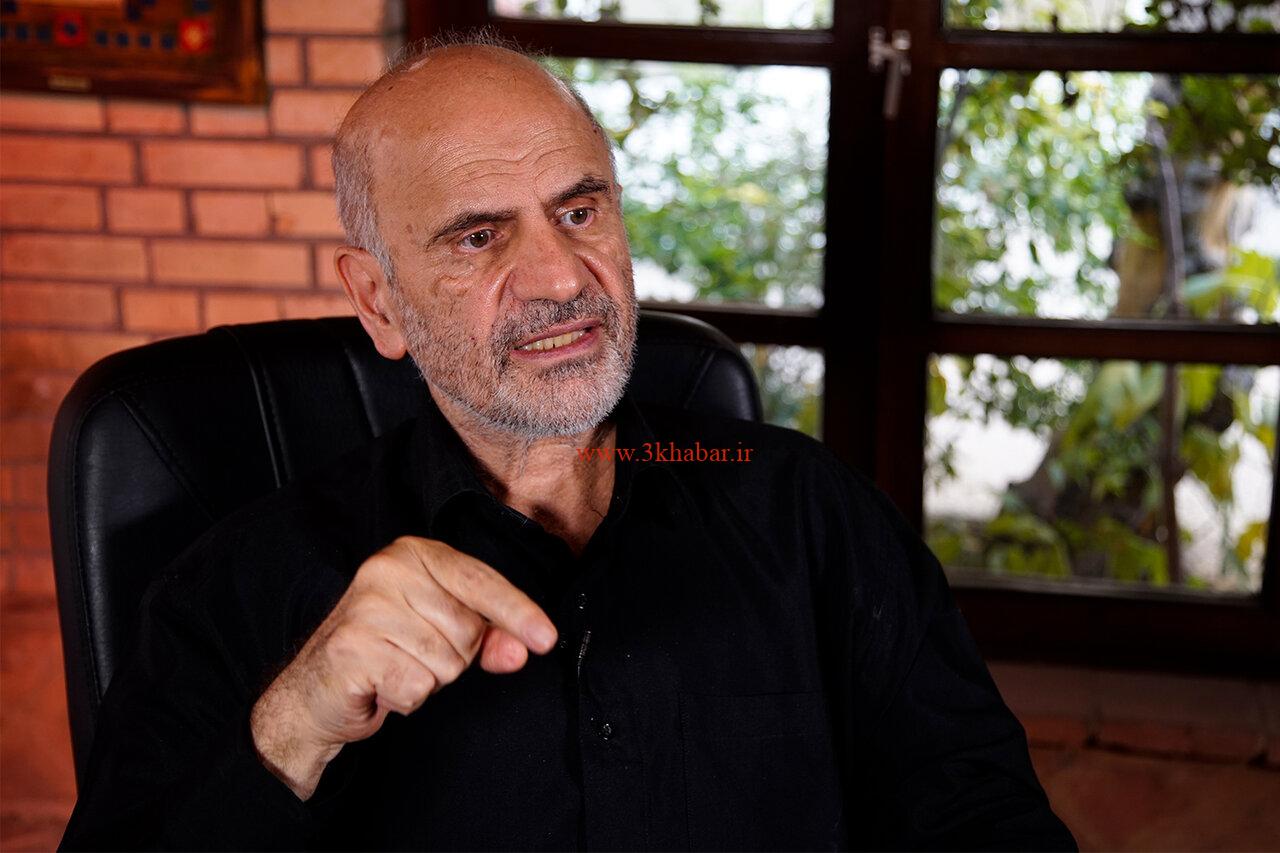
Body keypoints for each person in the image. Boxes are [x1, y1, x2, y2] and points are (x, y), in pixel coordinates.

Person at [61, 34, 1076, 851]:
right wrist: (297, 722)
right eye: (479, 235)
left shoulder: (811, 517)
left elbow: (983, 818)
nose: (559, 277)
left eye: (579, 210)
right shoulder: (237, 589)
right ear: (378, 301)